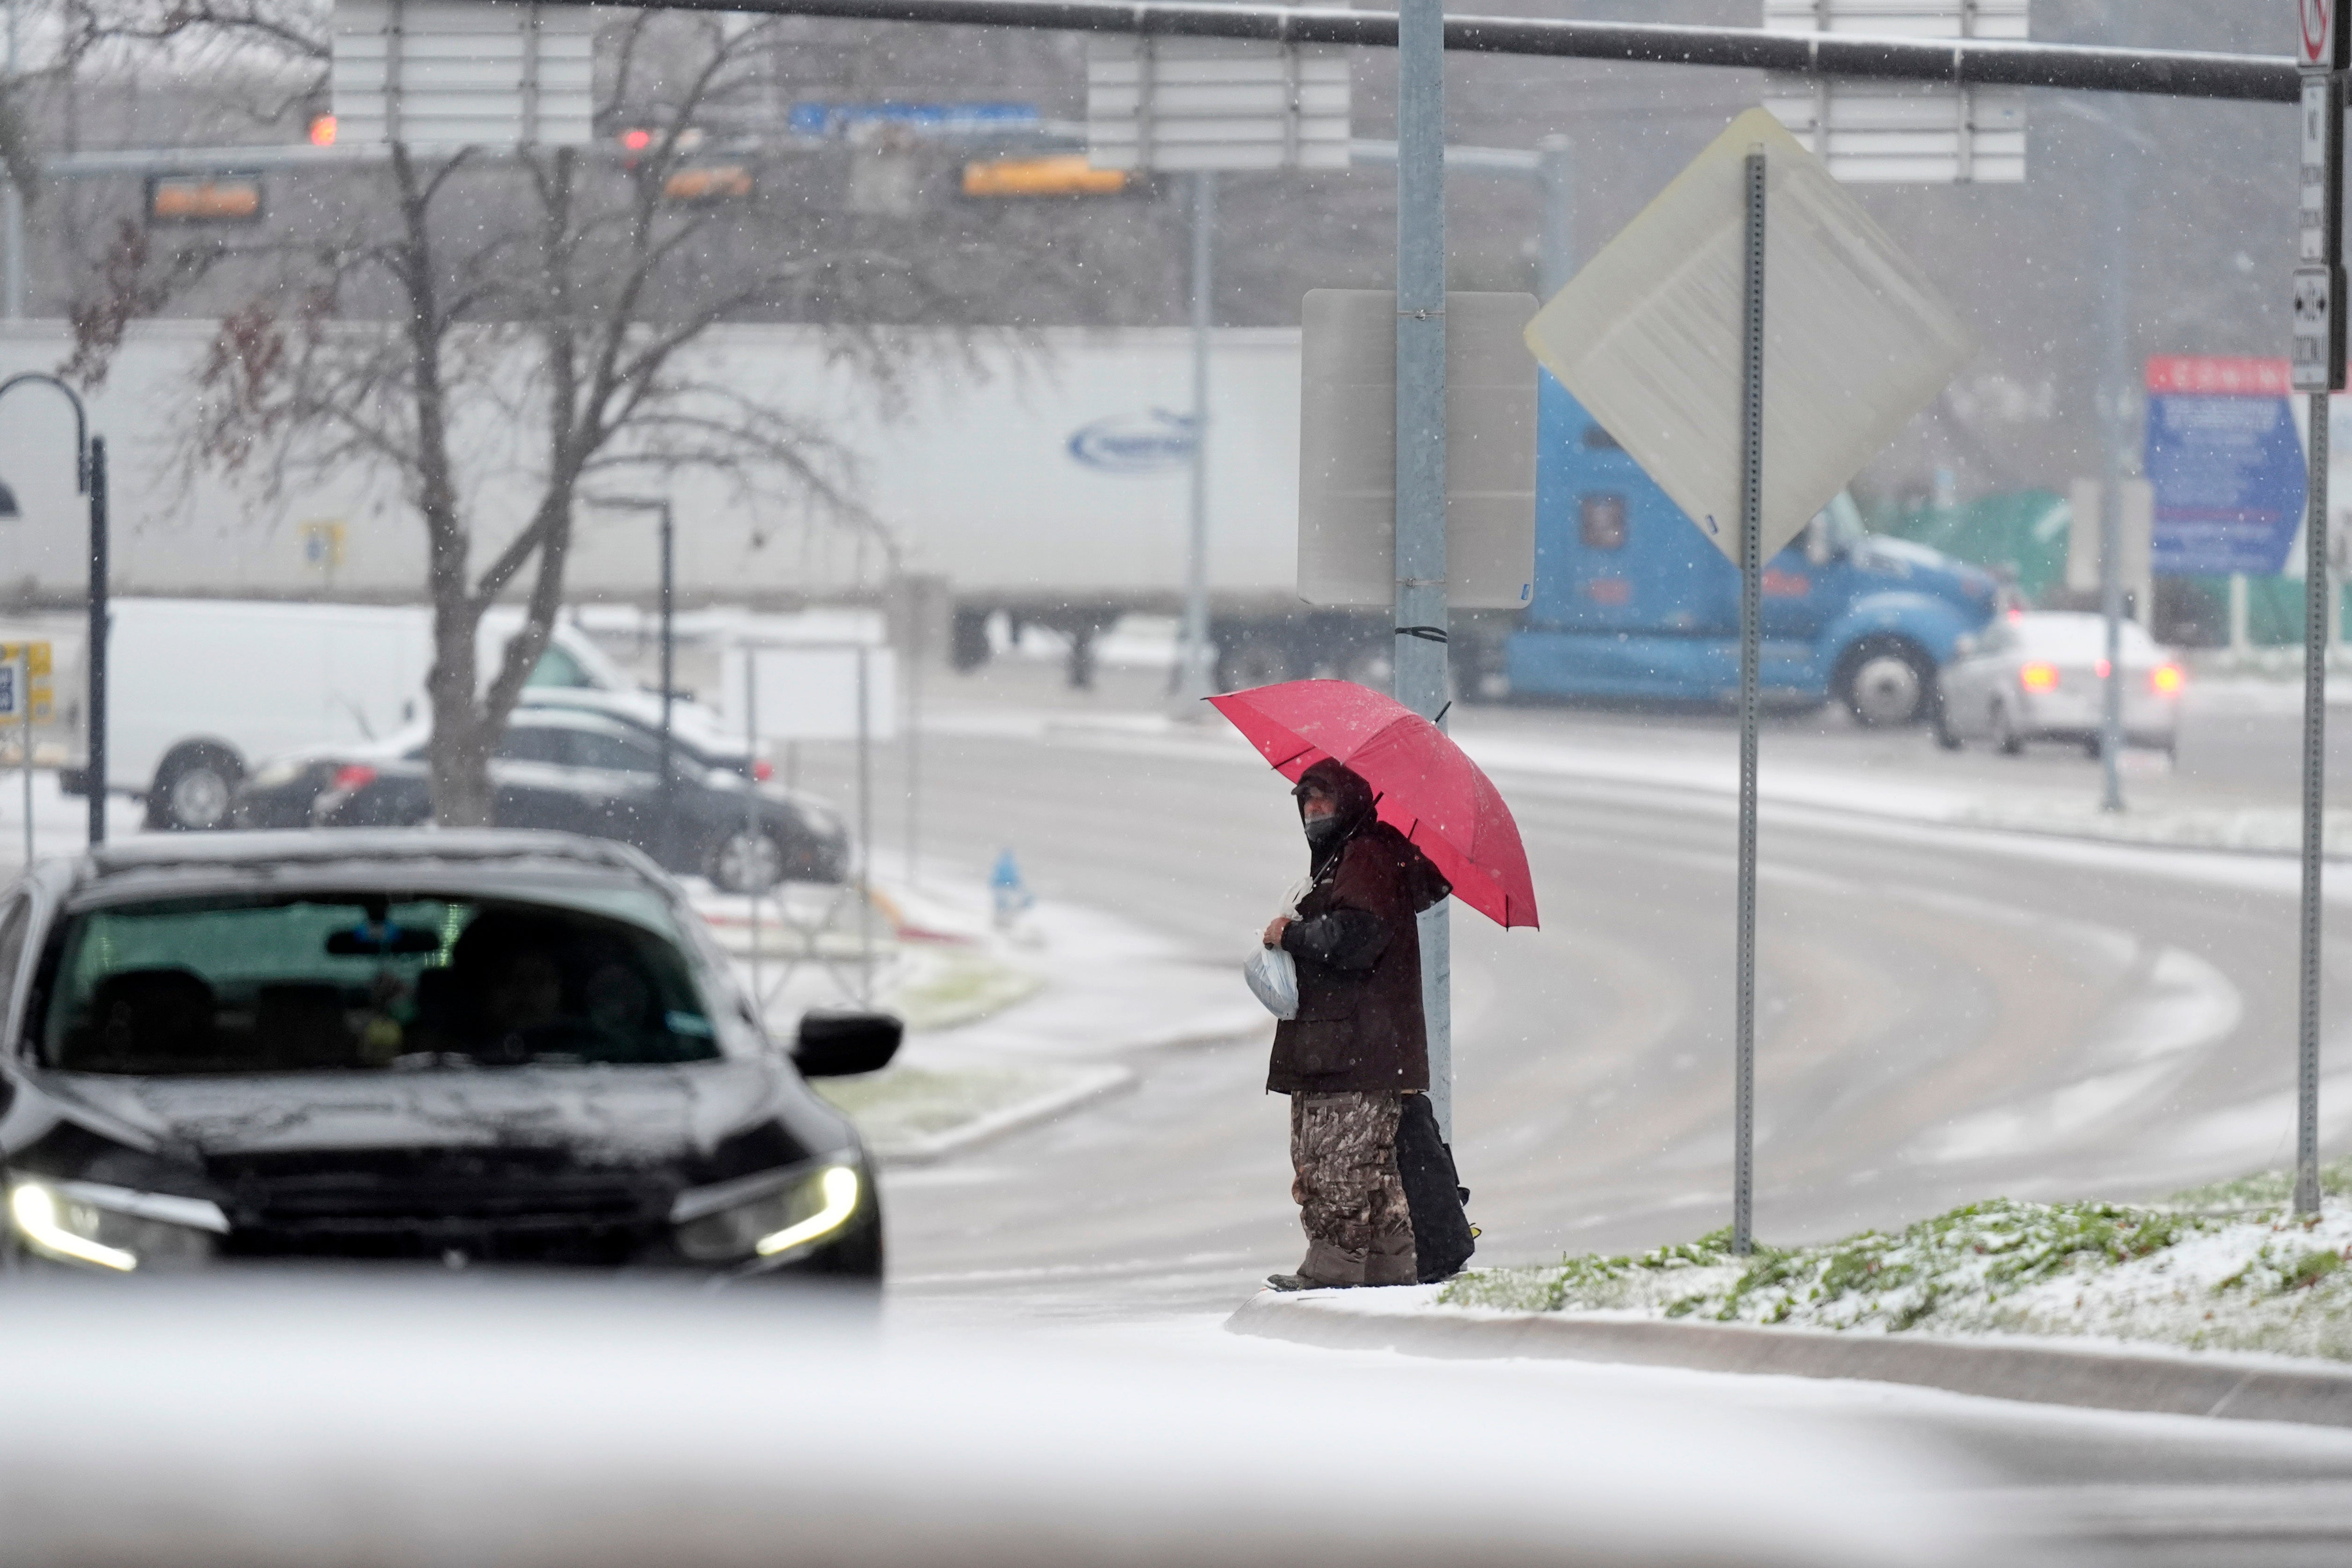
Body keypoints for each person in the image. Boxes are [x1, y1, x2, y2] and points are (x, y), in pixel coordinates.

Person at [1260, 757, 1451, 1290]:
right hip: (1356, 1044)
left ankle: (1334, 1269)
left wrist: (1289, 935)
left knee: (1334, 1163)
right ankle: (1389, 1269)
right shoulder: (1351, 857)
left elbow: (1356, 936)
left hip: (1353, 1046)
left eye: (1325, 800)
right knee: (1374, 1172)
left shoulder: (1364, 855)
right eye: (1307, 802)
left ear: (1351, 805)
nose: (1314, 811)